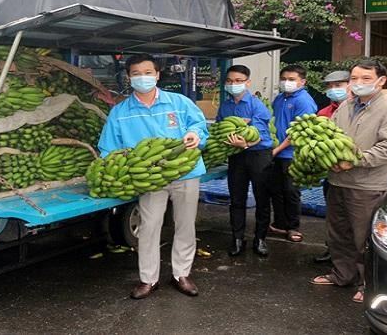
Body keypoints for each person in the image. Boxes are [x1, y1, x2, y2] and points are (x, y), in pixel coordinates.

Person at [98, 54, 207, 300]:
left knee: (185, 224)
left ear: (157, 75)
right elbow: (108, 148)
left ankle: (182, 274)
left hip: (185, 172)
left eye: (148, 72)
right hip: (148, 178)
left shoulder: (179, 102)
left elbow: (199, 126)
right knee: (148, 227)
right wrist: (114, 166)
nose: (143, 78)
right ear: (129, 77)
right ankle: (148, 279)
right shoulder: (120, 112)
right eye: (136, 74)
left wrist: (194, 134)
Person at [312, 60, 387, 304]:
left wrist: (356, 160)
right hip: (337, 180)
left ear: (381, 80)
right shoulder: (345, 105)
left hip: (366, 184)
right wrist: (326, 157)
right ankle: (342, 274)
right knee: (338, 233)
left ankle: (369, 284)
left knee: (363, 238)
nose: (358, 83)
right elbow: (331, 136)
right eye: (354, 78)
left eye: (365, 78)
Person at [217, 65, 274, 257]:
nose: (234, 84)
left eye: (239, 81)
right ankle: (237, 238)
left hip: (259, 155)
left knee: (262, 198)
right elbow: (219, 128)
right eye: (230, 81)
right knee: (237, 199)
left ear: (247, 82)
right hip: (236, 156)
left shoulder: (257, 105)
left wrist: (247, 143)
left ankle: (260, 239)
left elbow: (260, 133)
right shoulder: (225, 106)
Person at [270, 65, 318, 243]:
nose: (286, 82)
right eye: (284, 79)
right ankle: (280, 223)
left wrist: (276, 150)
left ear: (303, 82)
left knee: (291, 191)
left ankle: (293, 227)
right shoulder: (280, 98)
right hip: (277, 153)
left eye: (291, 79)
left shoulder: (303, 101)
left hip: (292, 154)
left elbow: (299, 131)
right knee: (277, 190)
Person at [314, 70, 351, 263]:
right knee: (333, 216)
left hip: (357, 175)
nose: (333, 90)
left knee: (355, 220)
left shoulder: (357, 110)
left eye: (339, 85)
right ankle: (332, 251)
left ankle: (355, 260)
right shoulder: (324, 114)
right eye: (330, 86)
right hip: (332, 174)